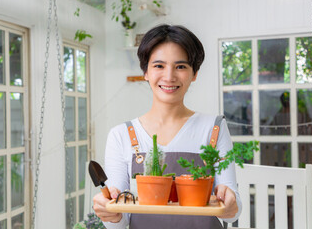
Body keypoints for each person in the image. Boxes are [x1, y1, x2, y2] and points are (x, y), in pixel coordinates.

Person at [92, 24, 242, 229]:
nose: (169, 76)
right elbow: (119, 222)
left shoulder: (214, 128)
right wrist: (110, 213)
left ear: (194, 73)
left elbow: (231, 214)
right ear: (145, 71)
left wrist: (231, 204)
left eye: (181, 66)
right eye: (159, 66)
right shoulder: (122, 135)